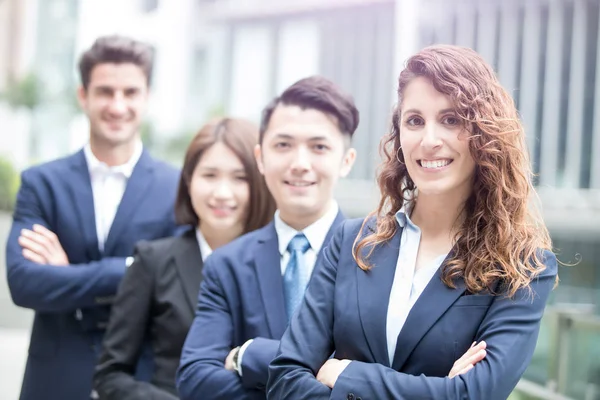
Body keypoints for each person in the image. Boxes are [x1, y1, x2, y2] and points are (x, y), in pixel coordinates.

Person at [267, 45, 558, 400]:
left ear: (485, 134)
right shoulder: (351, 242)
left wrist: (347, 374)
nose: (429, 140)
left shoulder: (522, 265)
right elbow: (285, 379)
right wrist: (438, 390)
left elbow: (474, 394)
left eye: (451, 120)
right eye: (415, 121)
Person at [5, 35, 181, 400]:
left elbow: (174, 287)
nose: (117, 106)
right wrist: (136, 269)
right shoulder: (41, 183)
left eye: (130, 92)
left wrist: (66, 275)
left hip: (141, 381)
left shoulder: (177, 187)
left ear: (147, 97)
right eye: (105, 92)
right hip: (54, 380)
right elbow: (24, 284)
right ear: (83, 96)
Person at [175, 76, 358, 399]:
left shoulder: (376, 256)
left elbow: (384, 372)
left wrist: (248, 355)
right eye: (283, 145)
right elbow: (195, 378)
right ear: (260, 157)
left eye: (319, 147)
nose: (300, 164)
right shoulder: (227, 265)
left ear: (346, 161)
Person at [93, 118, 276, 399]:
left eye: (240, 178)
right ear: (189, 180)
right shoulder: (154, 260)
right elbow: (110, 375)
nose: (222, 193)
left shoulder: (283, 260)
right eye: (209, 175)